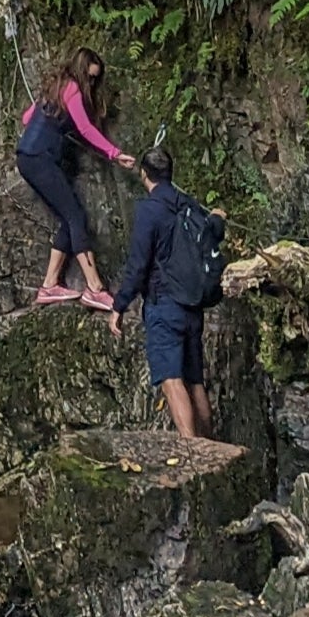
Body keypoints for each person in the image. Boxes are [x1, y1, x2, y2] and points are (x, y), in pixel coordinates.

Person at [107, 142, 221, 435]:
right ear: (170, 173)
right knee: (195, 381)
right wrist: (218, 219)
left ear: (145, 174)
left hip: (164, 305)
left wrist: (119, 305)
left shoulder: (149, 211)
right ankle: (214, 449)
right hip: (193, 306)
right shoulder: (189, 204)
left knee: (172, 380)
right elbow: (212, 233)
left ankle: (193, 452)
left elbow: (138, 265)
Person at [18, 48, 129, 311]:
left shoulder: (53, 87)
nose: (92, 83)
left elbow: (26, 118)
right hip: (40, 159)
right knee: (77, 217)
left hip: (26, 157)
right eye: (90, 77)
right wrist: (115, 153)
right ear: (82, 71)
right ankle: (95, 288)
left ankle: (49, 286)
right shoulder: (72, 90)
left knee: (69, 219)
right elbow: (86, 128)